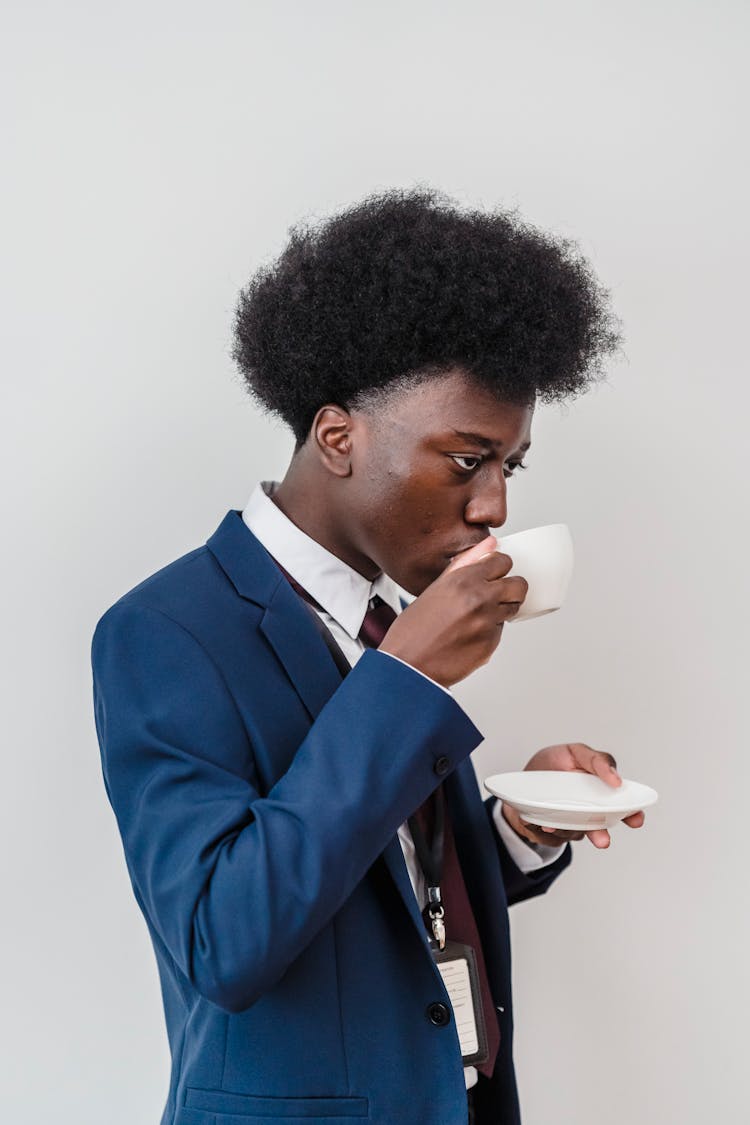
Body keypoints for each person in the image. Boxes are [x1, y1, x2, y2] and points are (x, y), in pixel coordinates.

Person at [92, 188, 644, 1125]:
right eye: (466, 459)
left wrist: (517, 828)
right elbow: (228, 939)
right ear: (337, 436)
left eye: (510, 465)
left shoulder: (385, 618)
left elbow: (381, 888)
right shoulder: (165, 630)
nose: (495, 507)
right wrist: (405, 684)